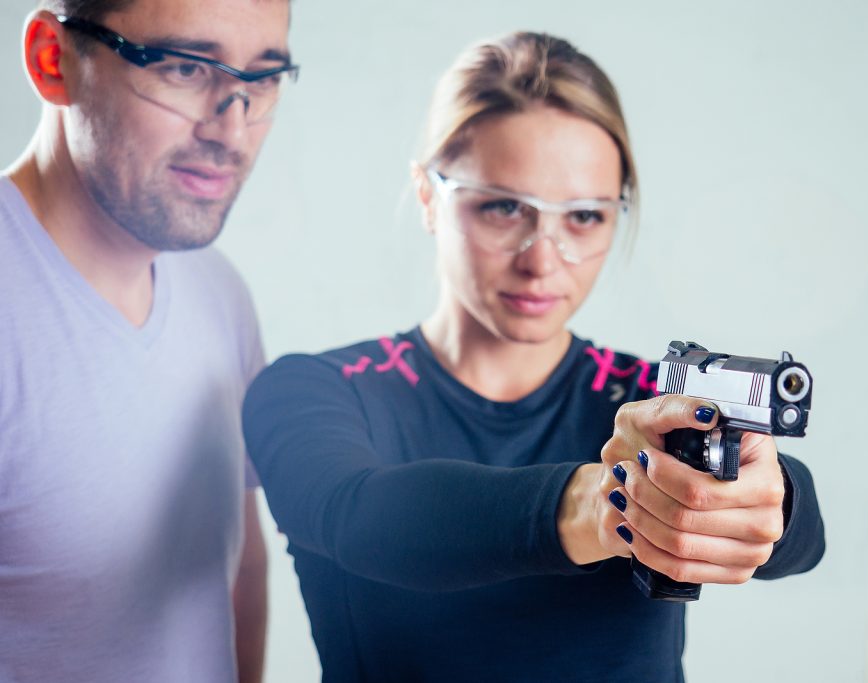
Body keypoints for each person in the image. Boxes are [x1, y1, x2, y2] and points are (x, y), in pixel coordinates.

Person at [243, 32, 825, 682]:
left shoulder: (648, 403)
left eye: (583, 217)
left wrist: (772, 498)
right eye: (504, 207)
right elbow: (360, 514)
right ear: (429, 196)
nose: (542, 259)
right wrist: (604, 503)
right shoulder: (312, 391)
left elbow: (804, 533)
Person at [0, 1, 297, 681]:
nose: (234, 127)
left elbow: (235, 565)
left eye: (264, 77)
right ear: (54, 59)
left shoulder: (221, 293)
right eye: (186, 67)